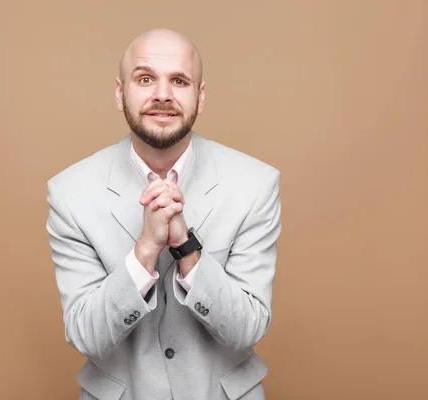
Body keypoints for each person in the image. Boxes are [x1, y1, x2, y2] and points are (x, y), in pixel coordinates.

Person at [46, 28, 282, 400]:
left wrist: (187, 250)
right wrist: (144, 252)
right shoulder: (70, 192)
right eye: (145, 79)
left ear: (200, 97)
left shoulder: (256, 184)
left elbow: (248, 329)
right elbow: (85, 335)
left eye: (179, 80)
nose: (162, 94)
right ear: (120, 92)